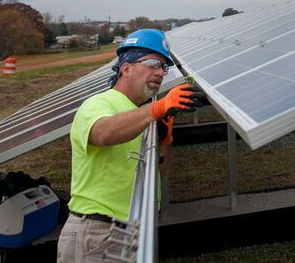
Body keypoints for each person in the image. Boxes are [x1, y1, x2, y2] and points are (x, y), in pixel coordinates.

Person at [57, 29, 205, 262]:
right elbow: (103, 132)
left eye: (164, 67)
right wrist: (156, 109)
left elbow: (156, 177)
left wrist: (166, 140)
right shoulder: (99, 103)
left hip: (131, 229)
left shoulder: (140, 113)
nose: (160, 72)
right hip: (96, 232)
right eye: (153, 63)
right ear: (125, 68)